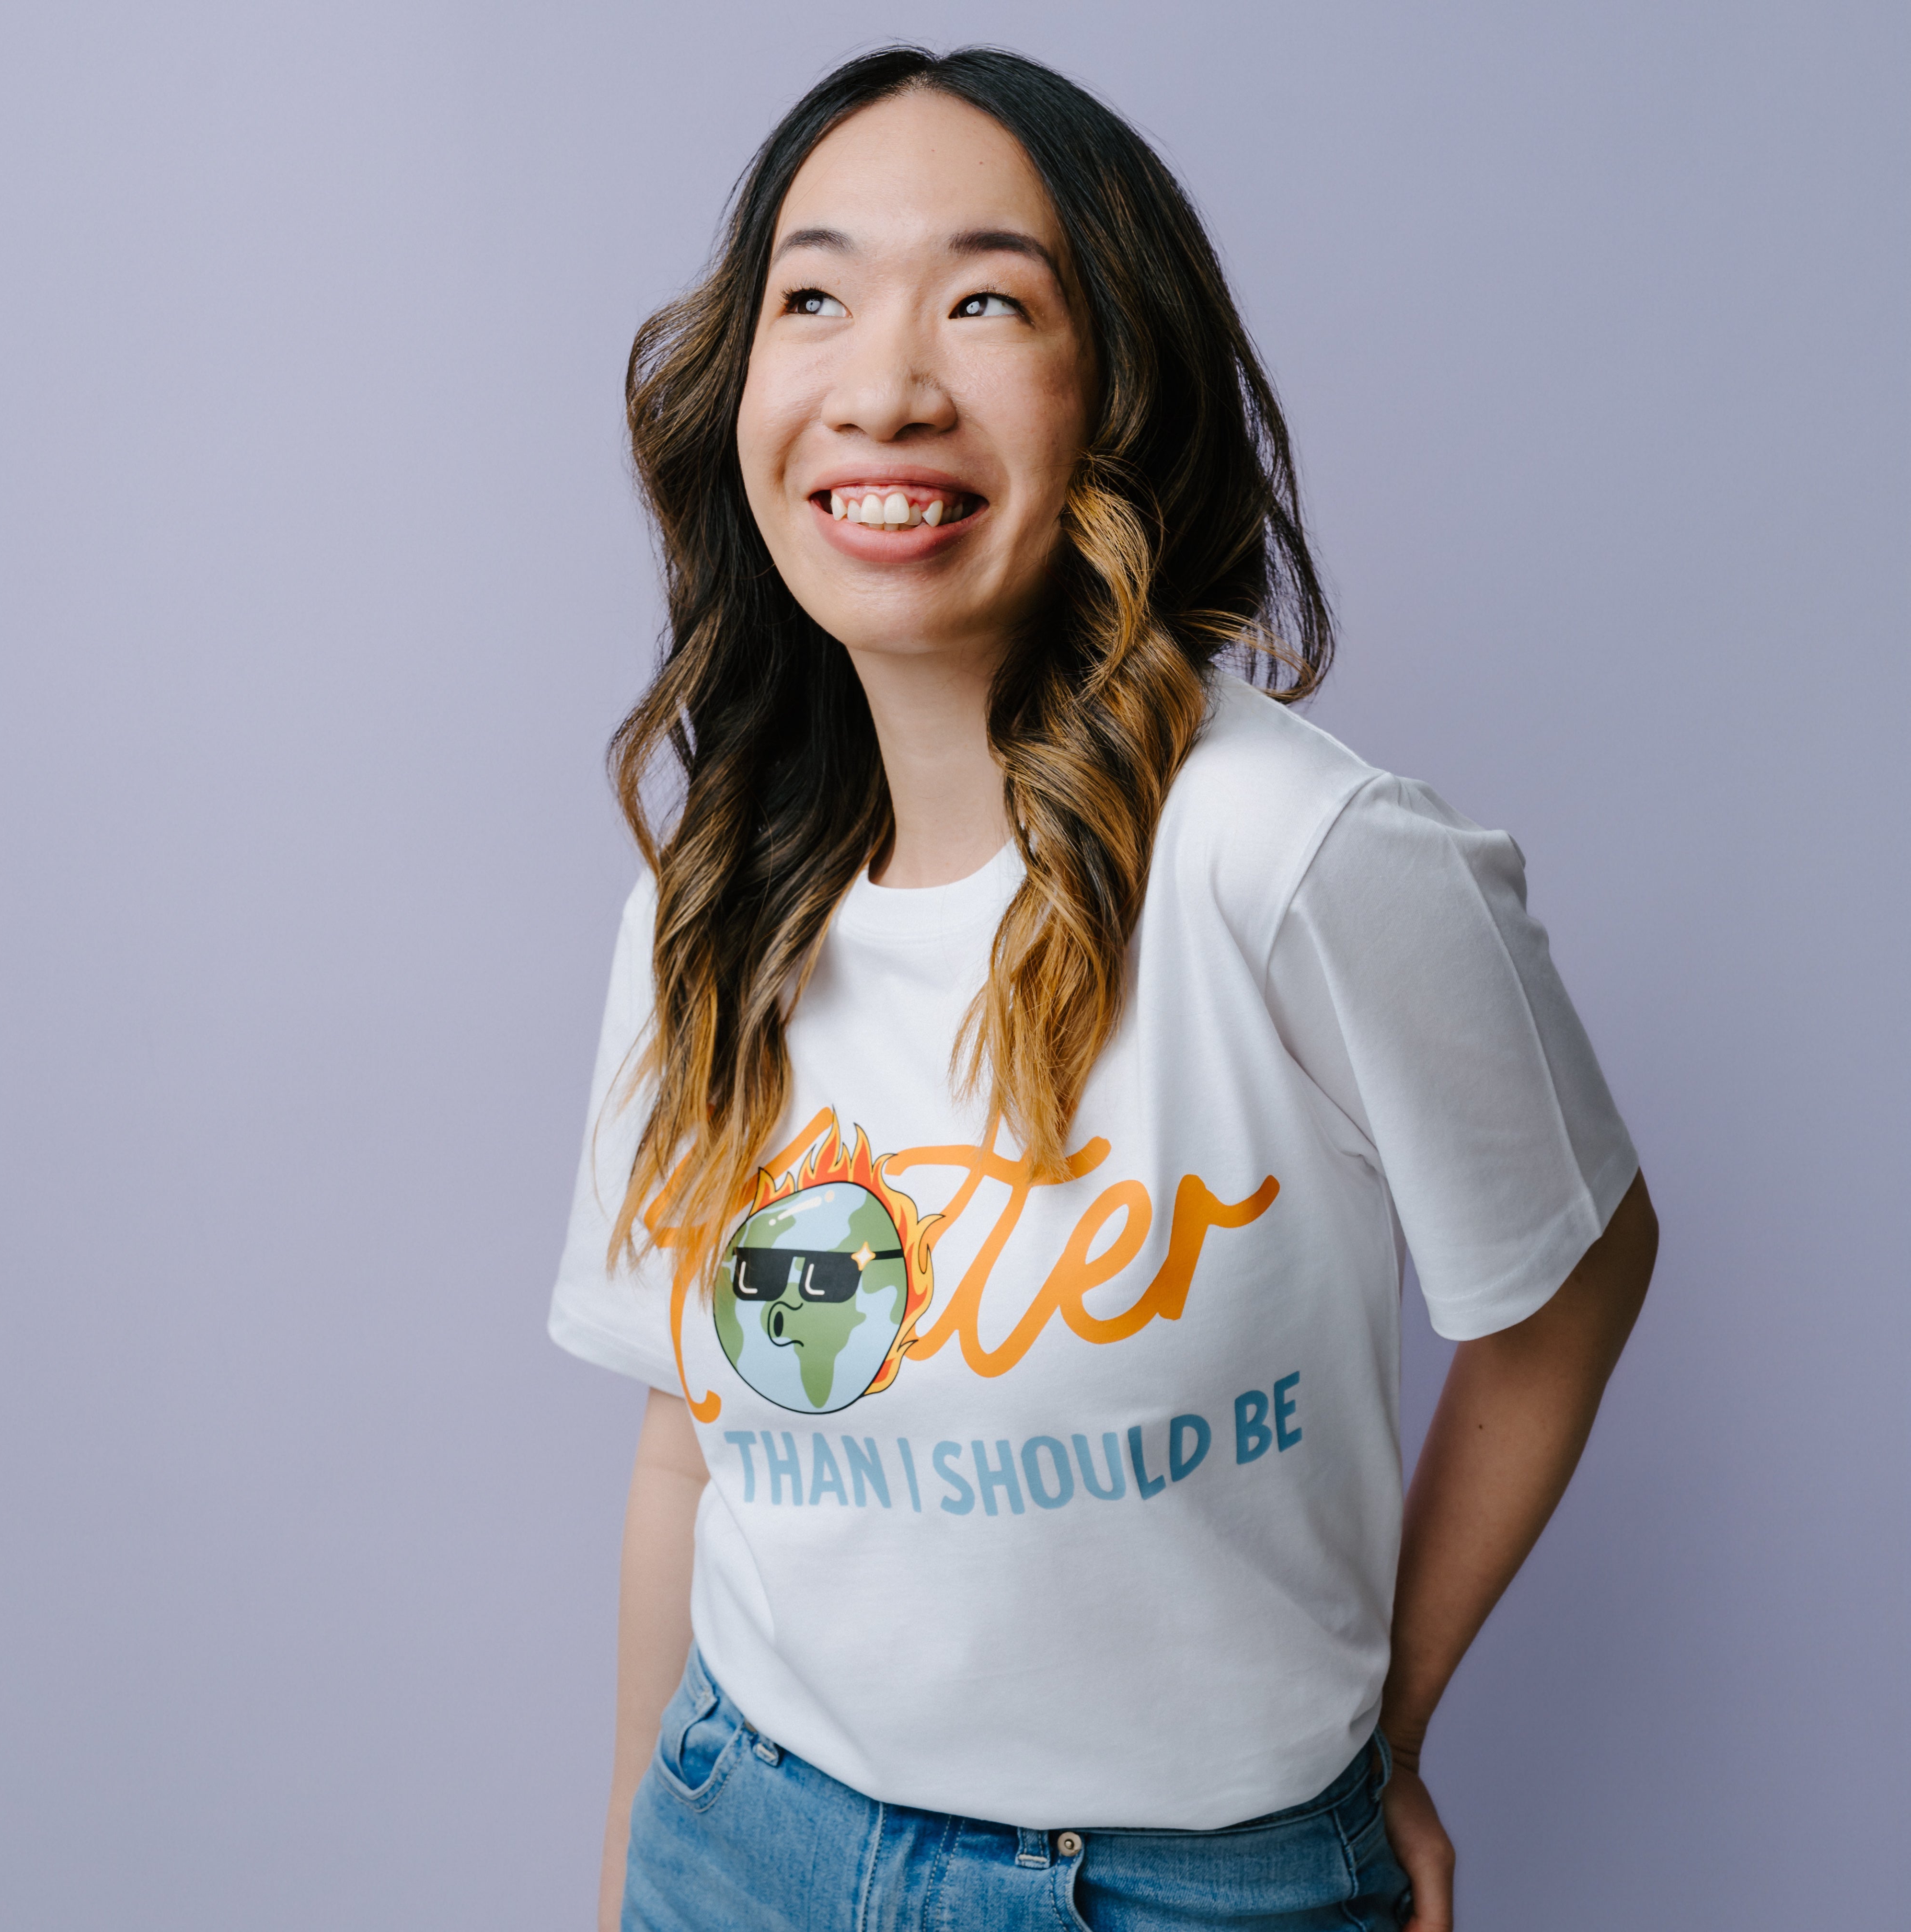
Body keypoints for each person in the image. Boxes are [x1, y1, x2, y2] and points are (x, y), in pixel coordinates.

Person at [549, 44, 1657, 1932]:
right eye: (814, 296)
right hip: (740, 1837)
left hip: (1182, 1893)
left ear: (1119, 391)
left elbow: (1574, 1276)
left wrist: (1380, 1731)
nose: (886, 384)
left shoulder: (1292, 855)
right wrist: (632, 1877)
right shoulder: (714, 890)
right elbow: (690, 1433)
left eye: (986, 301)